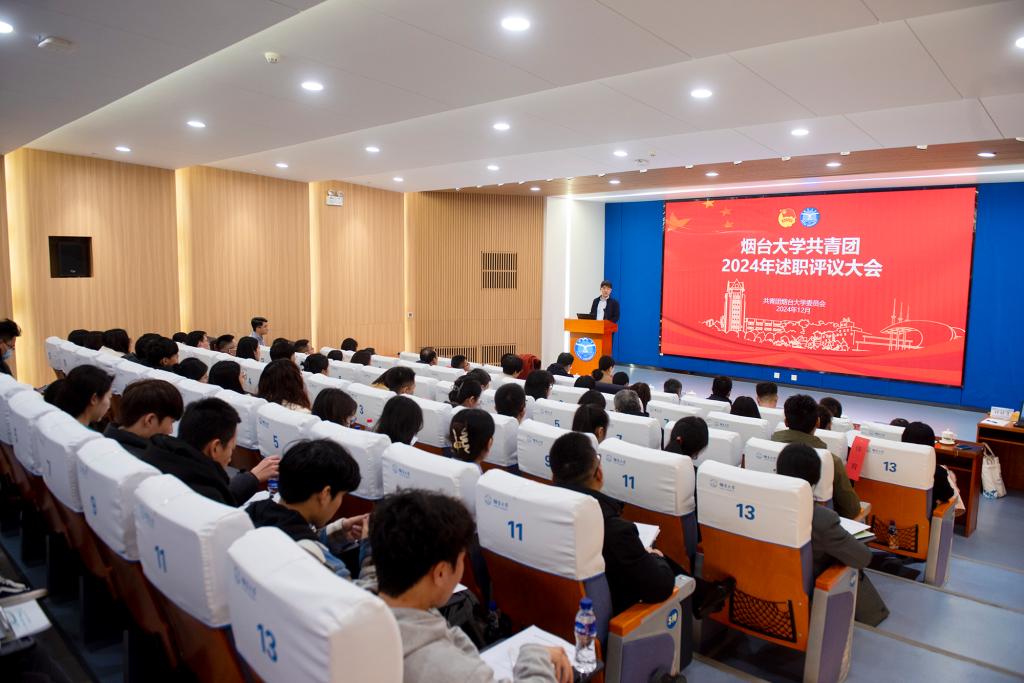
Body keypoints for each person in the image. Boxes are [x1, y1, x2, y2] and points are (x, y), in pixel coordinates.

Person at [371, 490, 570, 683]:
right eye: (462, 559)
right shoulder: (453, 671)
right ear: (441, 573)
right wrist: (536, 656)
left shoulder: (361, 604)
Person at [549, 433, 673, 615]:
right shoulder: (616, 532)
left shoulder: (543, 513)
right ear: (599, 474)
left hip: (553, 612)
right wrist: (655, 557)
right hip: (609, 620)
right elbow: (660, 587)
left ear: (553, 476)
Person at [776, 444, 887, 626]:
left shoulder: (760, 506)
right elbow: (863, 558)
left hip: (760, 600)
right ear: (816, 479)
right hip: (802, 607)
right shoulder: (821, 519)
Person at [246, 439, 369, 580]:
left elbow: (297, 541)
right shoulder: (320, 562)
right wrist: (370, 550)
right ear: (325, 494)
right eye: (342, 495)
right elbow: (364, 594)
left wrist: (338, 533)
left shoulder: (251, 513)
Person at [139, 397, 277, 505]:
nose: (230, 457)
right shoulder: (204, 496)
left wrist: (251, 478)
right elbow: (217, 502)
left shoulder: (153, 458)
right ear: (215, 448)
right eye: (231, 448)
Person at [773, 394, 860, 519]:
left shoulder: (762, 446)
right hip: (816, 525)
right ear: (818, 422)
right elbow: (851, 510)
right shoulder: (831, 461)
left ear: (786, 422)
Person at [104, 379, 183, 456]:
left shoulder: (102, 442)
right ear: (150, 420)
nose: (171, 431)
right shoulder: (148, 459)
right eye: (171, 422)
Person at [901, 422, 956, 512]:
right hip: (921, 519)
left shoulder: (890, 465)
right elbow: (947, 495)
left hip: (884, 518)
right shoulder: (937, 472)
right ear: (931, 445)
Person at [47, 364, 113, 428]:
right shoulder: (85, 434)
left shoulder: (55, 426)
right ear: (94, 399)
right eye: (109, 397)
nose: (109, 406)